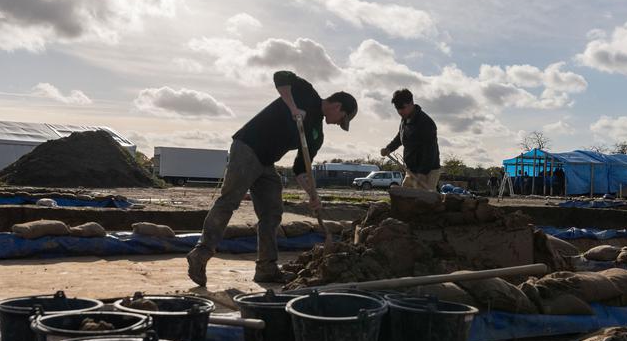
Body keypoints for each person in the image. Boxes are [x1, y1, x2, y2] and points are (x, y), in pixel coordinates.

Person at [187, 70, 357, 285]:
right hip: (248, 147)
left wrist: (313, 195)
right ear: (337, 106)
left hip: (266, 163)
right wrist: (292, 107)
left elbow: (301, 169)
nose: (337, 124)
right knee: (229, 201)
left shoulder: (316, 133)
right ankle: (200, 254)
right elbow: (281, 76)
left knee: (272, 213)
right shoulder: (306, 93)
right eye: (341, 119)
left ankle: (266, 268)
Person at [379, 88, 440, 191]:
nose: (400, 111)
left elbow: (429, 151)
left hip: (428, 171)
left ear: (411, 103)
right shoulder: (405, 120)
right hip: (411, 170)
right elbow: (400, 137)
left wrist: (422, 173)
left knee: (423, 202)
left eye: (402, 107)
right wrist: (389, 148)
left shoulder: (426, 123)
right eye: (397, 108)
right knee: (404, 198)